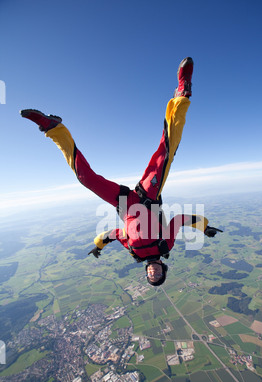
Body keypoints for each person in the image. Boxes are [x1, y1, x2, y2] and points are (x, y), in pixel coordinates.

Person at [20, 57, 222, 286]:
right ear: (164, 269)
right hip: (148, 197)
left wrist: (98, 246)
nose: (153, 273)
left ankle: (54, 129)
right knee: (166, 154)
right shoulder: (165, 246)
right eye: (158, 275)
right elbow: (180, 220)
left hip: (124, 203)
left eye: (150, 276)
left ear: (146, 273)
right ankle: (182, 93)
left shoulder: (134, 252)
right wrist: (204, 227)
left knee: (85, 179)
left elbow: (115, 234)